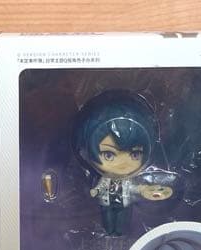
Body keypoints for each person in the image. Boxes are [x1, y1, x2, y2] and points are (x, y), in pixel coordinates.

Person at [71, 90, 172, 237]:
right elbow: (100, 187)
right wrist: (95, 191)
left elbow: (135, 188)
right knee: (107, 217)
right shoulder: (104, 178)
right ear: (88, 153)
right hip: (106, 202)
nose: (122, 164)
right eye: (109, 155)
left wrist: (144, 190)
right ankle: (109, 232)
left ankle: (120, 233)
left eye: (135, 155)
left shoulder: (129, 180)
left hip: (125, 202)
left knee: (123, 219)